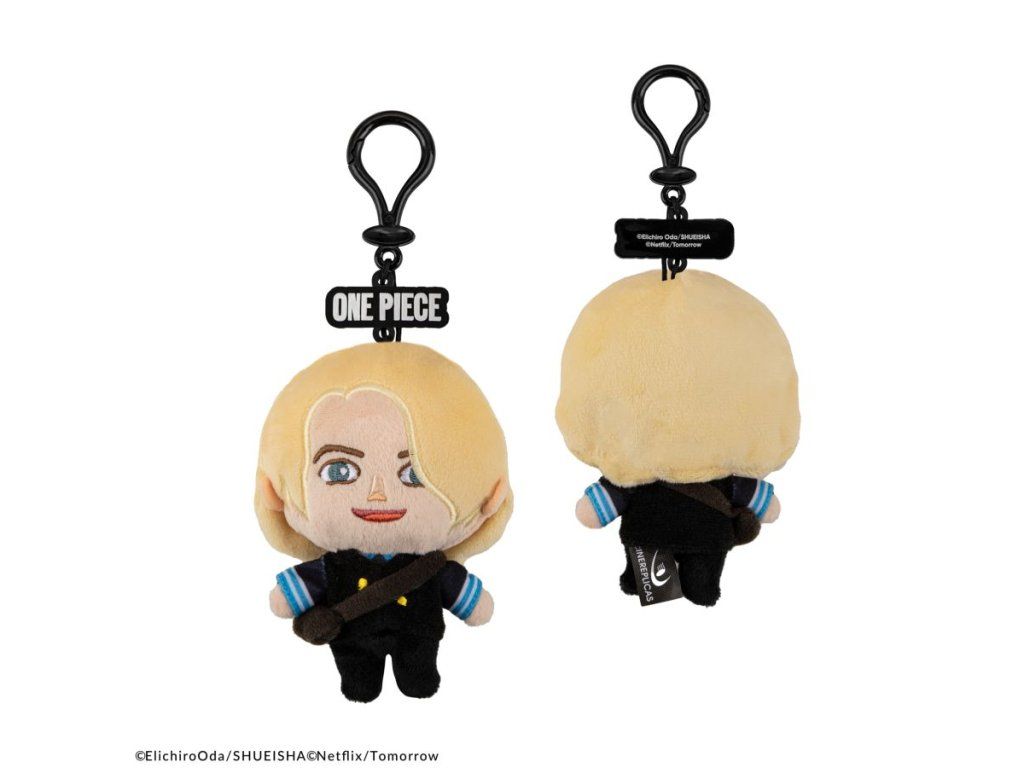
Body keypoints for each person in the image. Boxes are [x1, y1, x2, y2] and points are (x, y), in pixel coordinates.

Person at [256, 343, 511, 700]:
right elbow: (295, 592)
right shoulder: (336, 566)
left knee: (419, 676)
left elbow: (461, 592)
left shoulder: (430, 568)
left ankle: (417, 677)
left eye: (415, 475)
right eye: (340, 471)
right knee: (358, 680)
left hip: (417, 635)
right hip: (354, 638)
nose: (378, 495)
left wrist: (472, 602)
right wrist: (291, 596)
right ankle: (361, 681)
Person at [556, 269, 799, 606]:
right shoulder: (700, 473)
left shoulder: (636, 471)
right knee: (660, 581)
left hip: (659, 528)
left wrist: (596, 507)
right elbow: (756, 498)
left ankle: (686, 584)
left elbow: (602, 503)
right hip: (684, 531)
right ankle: (671, 583)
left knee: (681, 579)